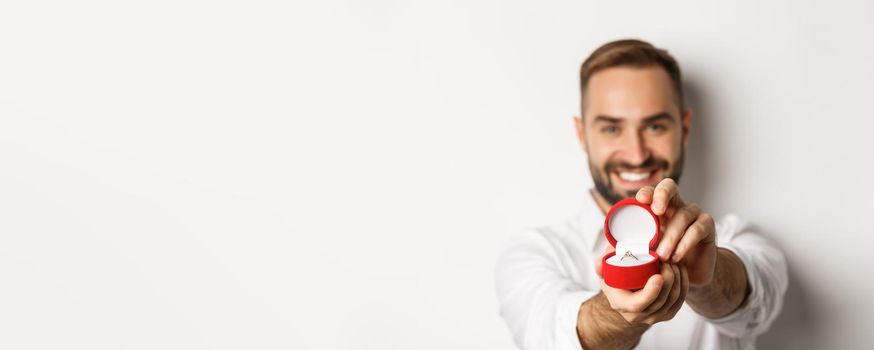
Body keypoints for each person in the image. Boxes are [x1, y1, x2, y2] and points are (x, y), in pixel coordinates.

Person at [494, 39, 788, 350]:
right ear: (582, 134)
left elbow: (756, 305)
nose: (636, 155)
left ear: (684, 129)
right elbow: (551, 338)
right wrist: (619, 313)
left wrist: (709, 276)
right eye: (611, 128)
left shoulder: (738, 237)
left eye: (655, 126)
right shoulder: (533, 253)